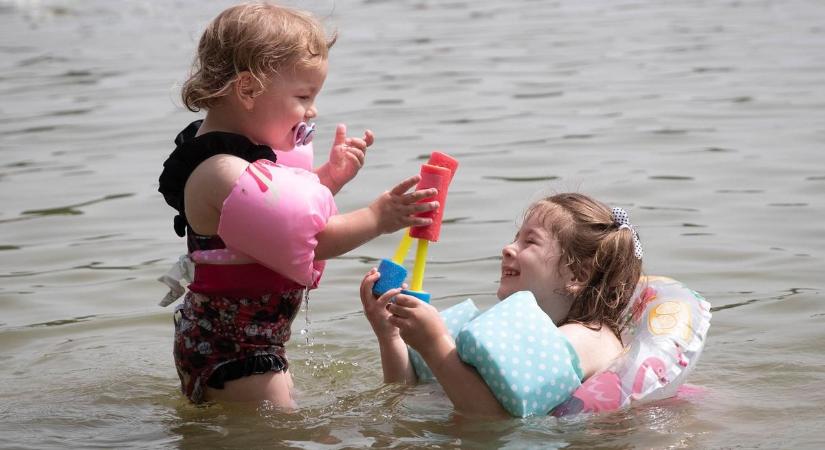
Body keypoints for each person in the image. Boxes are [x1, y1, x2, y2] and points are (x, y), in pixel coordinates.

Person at [157, 2, 439, 407]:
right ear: (248, 90)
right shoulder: (220, 171)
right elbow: (308, 238)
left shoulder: (238, 162)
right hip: (234, 352)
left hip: (240, 344)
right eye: (304, 95)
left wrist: (330, 178)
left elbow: (273, 225)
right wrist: (379, 217)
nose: (313, 110)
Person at [360, 192, 644, 417]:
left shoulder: (589, 338)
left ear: (577, 275)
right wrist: (390, 336)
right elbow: (404, 394)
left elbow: (491, 421)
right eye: (514, 238)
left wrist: (434, 344)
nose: (508, 248)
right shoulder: (528, 335)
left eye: (530, 241)